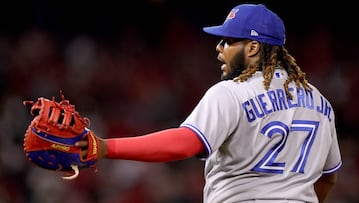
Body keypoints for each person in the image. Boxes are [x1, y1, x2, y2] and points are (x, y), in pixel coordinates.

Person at [76, 3, 342, 203]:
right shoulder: (321, 103)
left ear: (252, 47)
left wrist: (106, 147)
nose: (219, 47)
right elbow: (328, 177)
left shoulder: (231, 92)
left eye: (227, 41)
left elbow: (185, 143)